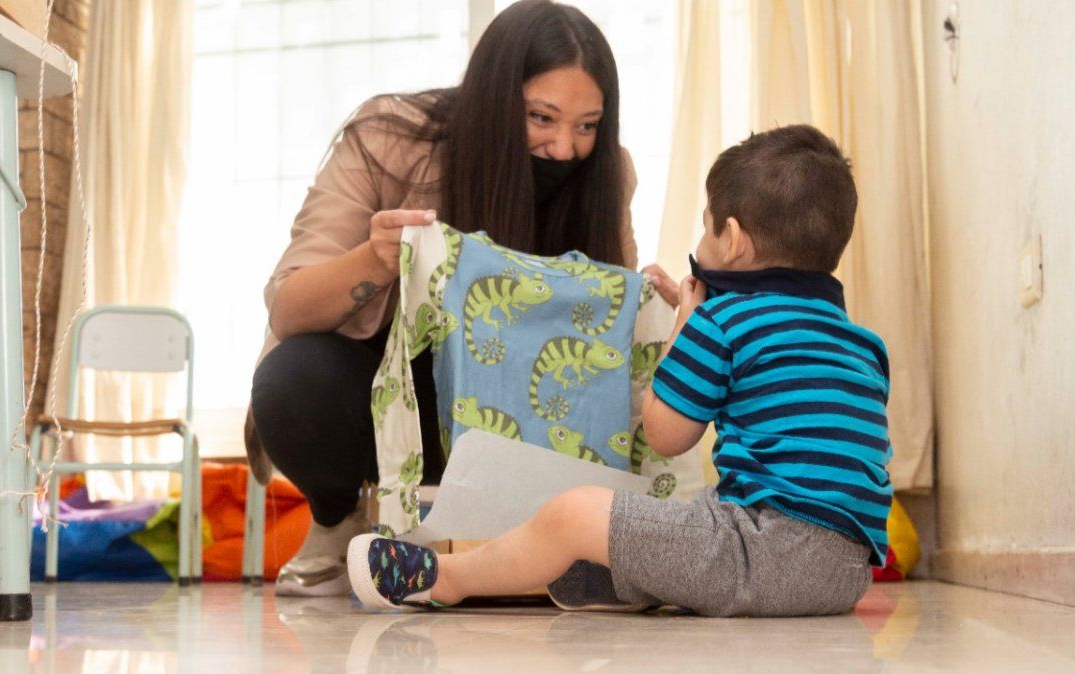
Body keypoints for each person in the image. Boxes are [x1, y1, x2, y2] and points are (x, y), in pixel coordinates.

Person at [346, 125, 894, 617]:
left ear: (731, 240)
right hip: (847, 575)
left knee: (573, 511)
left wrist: (684, 331)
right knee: (693, 511)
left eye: (705, 231)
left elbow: (666, 434)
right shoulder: (862, 343)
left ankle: (447, 579)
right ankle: (623, 581)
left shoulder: (723, 320)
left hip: (763, 557)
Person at [249, 0, 677, 596]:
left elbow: (608, 329)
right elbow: (289, 307)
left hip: (522, 402)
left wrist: (657, 308)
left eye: (587, 125)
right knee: (293, 381)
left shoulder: (608, 173)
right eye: (541, 117)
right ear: (498, 102)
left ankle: (528, 545)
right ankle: (338, 518)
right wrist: (375, 256)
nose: (563, 147)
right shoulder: (390, 138)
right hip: (394, 384)